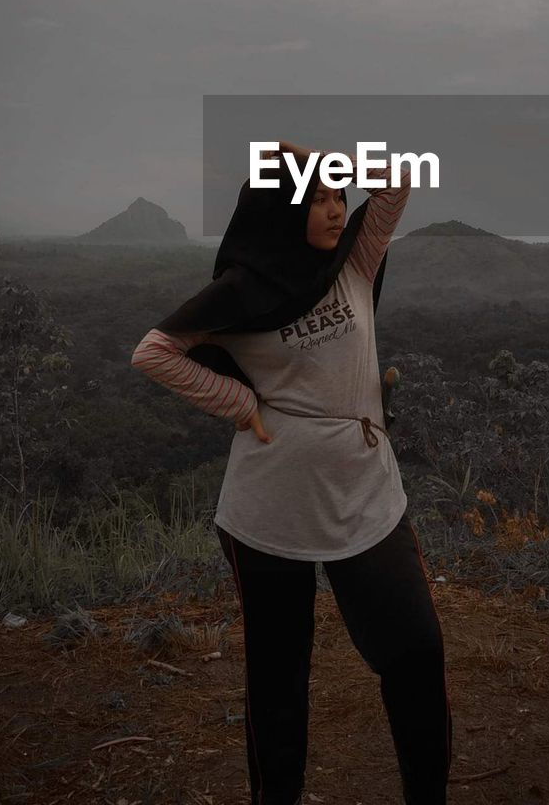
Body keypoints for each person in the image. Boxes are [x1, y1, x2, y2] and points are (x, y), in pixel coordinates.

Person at [130, 140, 453, 805]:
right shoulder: (244, 294)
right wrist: (242, 404)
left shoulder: (353, 264)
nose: (337, 211)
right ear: (282, 209)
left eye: (339, 198)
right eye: (320, 201)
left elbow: (398, 181)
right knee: (279, 685)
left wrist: (327, 164)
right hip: (269, 510)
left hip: (365, 494)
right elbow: (154, 352)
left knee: (416, 653)